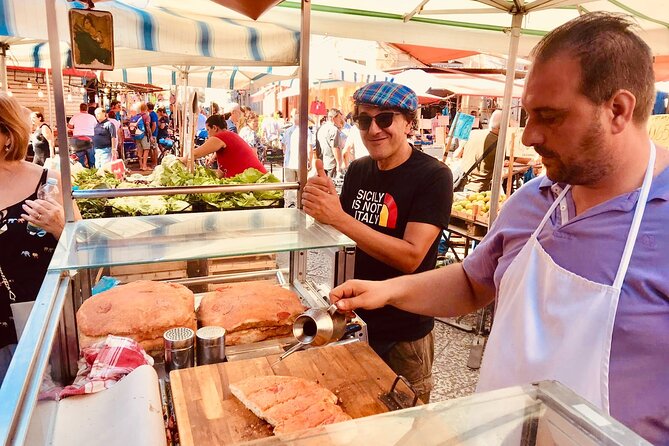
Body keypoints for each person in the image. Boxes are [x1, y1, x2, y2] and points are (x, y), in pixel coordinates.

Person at [328, 13, 668, 444]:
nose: (528, 137)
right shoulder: (533, 201)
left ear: (618, 110)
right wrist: (389, 292)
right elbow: (473, 283)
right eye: (527, 115)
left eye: (549, 116)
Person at [302, 81, 453, 403]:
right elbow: (349, 233)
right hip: (354, 318)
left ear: (409, 123)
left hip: (404, 327)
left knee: (405, 418)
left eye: (385, 119)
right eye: (364, 120)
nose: (374, 130)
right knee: (355, 407)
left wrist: (339, 217)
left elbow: (411, 257)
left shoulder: (433, 176)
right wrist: (321, 207)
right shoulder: (358, 170)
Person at [0, 92, 67, 384]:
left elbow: (80, 250)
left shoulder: (48, 182)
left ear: (7, 133)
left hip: (36, 328)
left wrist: (60, 226)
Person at [186, 114, 266, 178]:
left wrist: (179, 160)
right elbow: (221, 172)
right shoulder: (230, 135)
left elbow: (195, 154)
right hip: (256, 178)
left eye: (208, 130)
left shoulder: (221, 136)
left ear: (214, 128)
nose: (208, 134)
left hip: (254, 181)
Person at [457, 109, 502, 192]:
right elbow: (516, 159)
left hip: (464, 183)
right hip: (482, 188)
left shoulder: (472, 133)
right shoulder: (501, 143)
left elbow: (457, 155)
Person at [315, 108, 344, 178]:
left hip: (322, 163)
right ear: (333, 118)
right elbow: (335, 148)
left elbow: (317, 147)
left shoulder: (320, 129)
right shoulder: (334, 130)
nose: (341, 120)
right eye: (339, 118)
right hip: (331, 164)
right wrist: (339, 165)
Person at [67, 102, 97, 168]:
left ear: (80, 109)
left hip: (78, 139)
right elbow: (95, 126)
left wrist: (75, 127)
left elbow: (69, 126)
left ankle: (81, 172)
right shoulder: (92, 117)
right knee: (91, 157)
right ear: (87, 109)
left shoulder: (75, 116)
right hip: (89, 138)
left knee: (80, 158)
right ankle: (92, 171)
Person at [128, 103, 151, 171]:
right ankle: (144, 166)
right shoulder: (146, 116)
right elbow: (147, 126)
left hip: (137, 135)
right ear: (146, 108)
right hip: (144, 135)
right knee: (146, 150)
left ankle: (140, 165)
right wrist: (150, 135)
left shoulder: (137, 116)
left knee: (139, 150)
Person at [147, 103, 160, 168]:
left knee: (154, 148)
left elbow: (154, 125)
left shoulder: (152, 114)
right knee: (152, 148)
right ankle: (153, 162)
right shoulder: (152, 114)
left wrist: (151, 133)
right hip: (153, 134)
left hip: (153, 134)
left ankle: (155, 163)